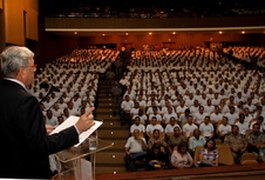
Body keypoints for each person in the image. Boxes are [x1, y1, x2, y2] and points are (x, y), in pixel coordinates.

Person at [0, 46, 95, 179]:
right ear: (21, 71)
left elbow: (9, 128)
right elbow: (41, 147)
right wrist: (76, 129)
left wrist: (36, 130)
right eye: (33, 66)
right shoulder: (26, 101)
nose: (35, 69)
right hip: (25, 173)